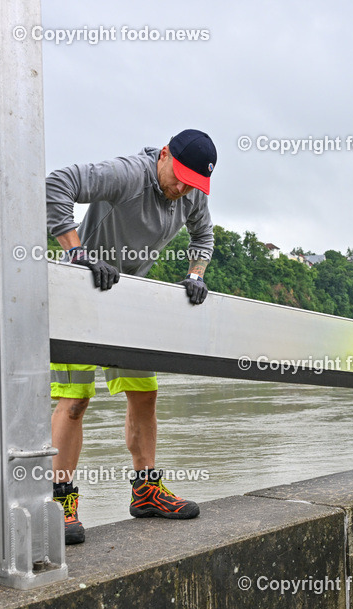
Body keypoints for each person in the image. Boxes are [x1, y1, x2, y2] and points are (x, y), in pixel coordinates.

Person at [46, 129, 218, 544]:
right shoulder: (126, 175)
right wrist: (77, 251)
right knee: (74, 402)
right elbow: (57, 183)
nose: (181, 190)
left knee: (144, 394)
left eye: (192, 184)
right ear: (163, 156)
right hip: (78, 294)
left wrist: (195, 274)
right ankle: (58, 504)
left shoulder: (191, 193)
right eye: (178, 177)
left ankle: (146, 492)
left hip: (127, 302)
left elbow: (204, 236)